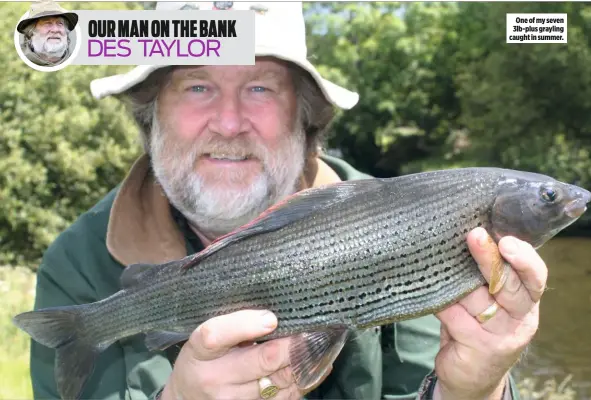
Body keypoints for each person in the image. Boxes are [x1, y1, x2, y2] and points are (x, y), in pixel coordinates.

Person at [29, 2, 548, 399]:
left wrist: (470, 391)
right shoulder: (77, 265)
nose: (229, 123)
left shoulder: (408, 227)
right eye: (196, 87)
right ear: (151, 112)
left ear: (305, 115)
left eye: (260, 87)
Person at [17, 0, 77, 67]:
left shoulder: (75, 62)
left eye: (60, 23)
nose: (55, 30)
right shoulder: (18, 62)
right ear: (31, 32)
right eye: (47, 23)